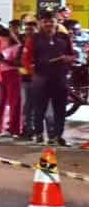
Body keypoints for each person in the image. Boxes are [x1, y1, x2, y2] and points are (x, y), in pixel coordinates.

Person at [29, 11, 76, 146]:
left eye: (51, 21)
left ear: (57, 22)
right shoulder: (35, 38)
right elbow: (28, 59)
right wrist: (35, 71)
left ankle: (58, 136)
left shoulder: (64, 37)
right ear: (41, 23)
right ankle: (38, 134)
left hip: (59, 78)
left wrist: (68, 58)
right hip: (41, 78)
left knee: (60, 109)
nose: (49, 24)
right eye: (45, 21)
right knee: (39, 108)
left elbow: (72, 55)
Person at [0, 21, 25, 139]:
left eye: (16, 27)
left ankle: (16, 129)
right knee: (0, 102)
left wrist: (2, 60)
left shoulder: (18, 45)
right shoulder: (2, 43)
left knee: (15, 103)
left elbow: (18, 63)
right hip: (1, 73)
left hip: (13, 74)